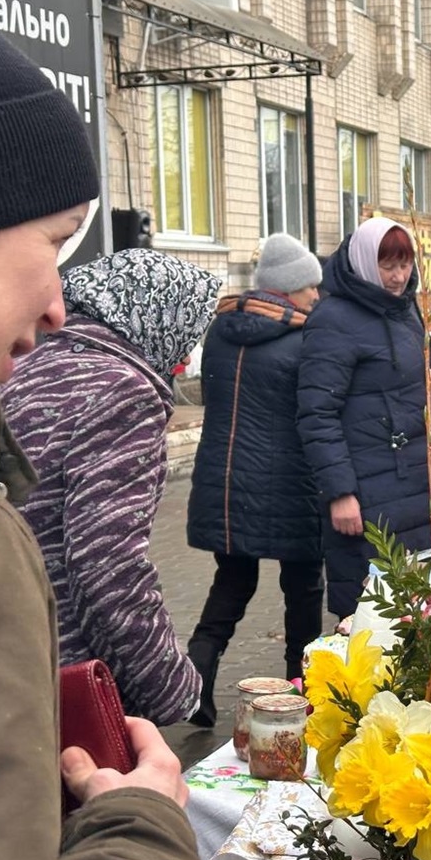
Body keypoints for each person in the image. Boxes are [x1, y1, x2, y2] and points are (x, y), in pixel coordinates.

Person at [0, 0, 206, 860]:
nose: (58, 302)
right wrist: (147, 828)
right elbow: (112, 559)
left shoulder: (34, 375)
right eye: (55, 245)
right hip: (63, 703)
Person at [2, 249, 219, 726]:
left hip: (3, 654)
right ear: (153, 315)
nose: (184, 355)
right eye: (186, 329)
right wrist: (172, 688)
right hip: (69, 680)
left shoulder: (26, 364)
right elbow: (107, 565)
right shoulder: (122, 391)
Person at [186, 232, 325, 727]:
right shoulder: (304, 335)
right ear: (288, 289)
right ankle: (300, 693)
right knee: (304, 588)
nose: (316, 295)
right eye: (310, 286)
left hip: (226, 481)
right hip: (291, 482)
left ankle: (196, 682)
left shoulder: (221, 330)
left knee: (233, 579)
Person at [299, 217, 431, 618]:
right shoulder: (333, 320)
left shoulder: (404, 311)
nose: (398, 276)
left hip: (420, 483)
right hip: (368, 492)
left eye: (404, 265)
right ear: (367, 263)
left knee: (426, 613)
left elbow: (429, 392)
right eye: (388, 266)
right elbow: (317, 413)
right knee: (371, 616)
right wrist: (340, 492)